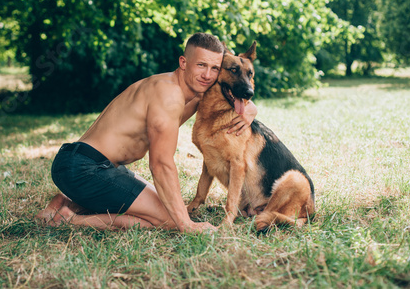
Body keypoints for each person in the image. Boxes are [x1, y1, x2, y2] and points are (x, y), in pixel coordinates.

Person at [36, 33, 257, 233]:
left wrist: (250, 108)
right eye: (201, 65)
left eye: (214, 68)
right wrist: (185, 224)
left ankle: (67, 202)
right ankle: (68, 219)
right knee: (170, 220)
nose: (207, 75)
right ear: (183, 62)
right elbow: (160, 165)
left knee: (168, 205)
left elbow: (226, 94)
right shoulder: (168, 97)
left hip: (90, 164)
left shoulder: (181, 88)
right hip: (84, 168)